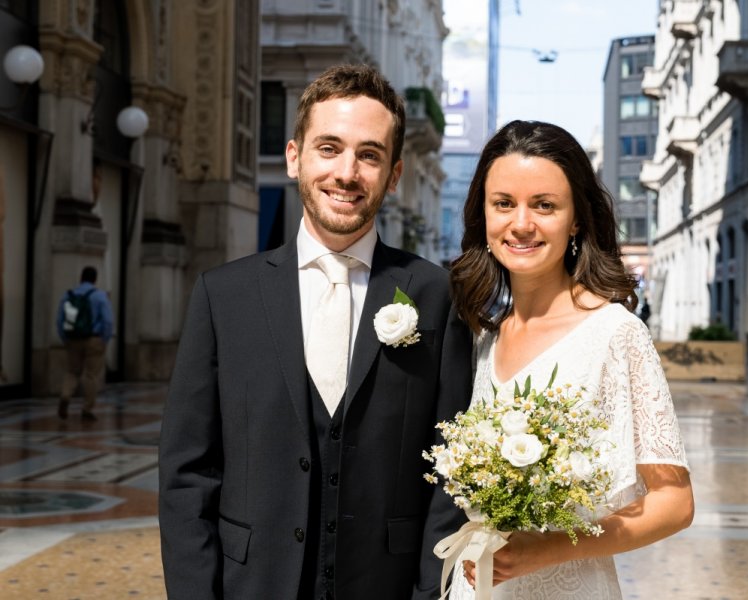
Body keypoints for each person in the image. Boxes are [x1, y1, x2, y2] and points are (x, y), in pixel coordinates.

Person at [158, 64, 472, 600]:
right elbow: (188, 472)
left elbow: (451, 469)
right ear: (293, 157)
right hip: (251, 584)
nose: (347, 173)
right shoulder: (223, 297)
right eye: (329, 148)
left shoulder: (436, 296)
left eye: (369, 155)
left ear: (394, 175)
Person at [448, 120, 693, 599]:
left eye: (544, 205)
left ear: (577, 218)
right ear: (483, 214)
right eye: (504, 204)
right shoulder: (481, 337)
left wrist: (552, 548)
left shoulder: (616, 334)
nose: (521, 224)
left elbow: (674, 503)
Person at [55, 266, 114, 421]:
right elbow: (108, 321)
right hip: (94, 339)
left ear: (81, 277)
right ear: (95, 279)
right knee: (91, 375)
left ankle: (65, 396)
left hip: (73, 339)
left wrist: (65, 338)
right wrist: (104, 339)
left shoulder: (68, 295)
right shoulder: (100, 296)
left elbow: (59, 319)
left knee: (72, 371)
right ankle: (87, 409)